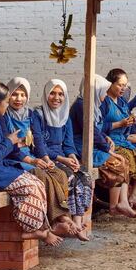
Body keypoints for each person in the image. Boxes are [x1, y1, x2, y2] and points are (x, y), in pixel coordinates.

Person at [0, 81, 71, 246]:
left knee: (37, 183)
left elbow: (7, 149)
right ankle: (34, 229)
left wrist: (30, 158)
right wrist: (9, 141)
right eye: (6, 101)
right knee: (31, 187)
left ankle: (40, 228)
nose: (8, 104)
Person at [4, 77, 79, 238]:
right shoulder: (4, 115)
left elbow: (37, 138)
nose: (19, 99)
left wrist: (45, 160)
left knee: (58, 173)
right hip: (13, 159)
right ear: (7, 95)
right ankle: (53, 221)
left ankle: (62, 217)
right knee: (41, 176)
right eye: (14, 94)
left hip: (30, 156)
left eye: (23, 95)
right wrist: (35, 160)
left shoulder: (29, 114)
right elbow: (8, 147)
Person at [33, 79, 94, 240]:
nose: (56, 97)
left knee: (86, 176)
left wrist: (73, 158)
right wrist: (63, 160)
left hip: (62, 158)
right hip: (47, 158)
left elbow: (68, 144)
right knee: (71, 178)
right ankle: (67, 221)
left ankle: (77, 221)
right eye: (52, 93)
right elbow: (39, 145)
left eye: (61, 94)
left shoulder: (66, 117)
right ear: (46, 94)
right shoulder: (38, 115)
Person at [70, 74, 136, 218]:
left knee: (123, 161)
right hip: (82, 147)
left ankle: (120, 203)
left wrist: (106, 137)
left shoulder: (90, 104)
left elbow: (95, 129)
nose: (104, 96)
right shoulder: (81, 106)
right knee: (118, 162)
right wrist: (109, 151)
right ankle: (115, 206)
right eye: (103, 91)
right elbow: (91, 132)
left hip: (91, 143)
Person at [101, 68, 136, 211]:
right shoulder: (103, 102)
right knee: (126, 158)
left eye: (125, 85)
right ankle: (120, 202)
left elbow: (126, 129)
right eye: (120, 85)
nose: (123, 88)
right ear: (109, 84)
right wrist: (119, 124)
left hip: (123, 140)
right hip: (109, 141)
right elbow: (97, 127)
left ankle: (134, 195)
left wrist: (130, 122)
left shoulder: (123, 103)